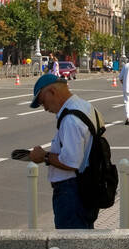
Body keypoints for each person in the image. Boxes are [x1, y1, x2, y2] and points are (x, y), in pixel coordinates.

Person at [27, 72, 102, 229]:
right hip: (86, 186)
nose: (45, 108)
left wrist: (44, 156)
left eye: (43, 102)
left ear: (52, 92)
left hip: (72, 192)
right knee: (82, 241)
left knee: (71, 247)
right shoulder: (86, 106)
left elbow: (71, 162)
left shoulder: (70, 119)